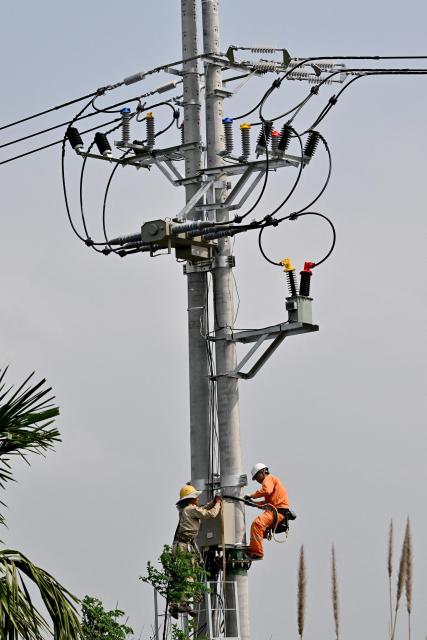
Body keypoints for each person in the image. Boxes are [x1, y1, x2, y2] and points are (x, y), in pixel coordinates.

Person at [170, 485, 222, 618]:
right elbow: (211, 514)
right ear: (191, 499)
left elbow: (202, 509)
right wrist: (218, 503)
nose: (198, 499)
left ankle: (174, 605)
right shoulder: (191, 509)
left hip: (180, 545)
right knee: (189, 575)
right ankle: (184, 603)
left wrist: (212, 502)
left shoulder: (186, 510)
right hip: (184, 546)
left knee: (180, 575)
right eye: (196, 497)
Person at [244, 463, 289, 560]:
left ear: (263, 472)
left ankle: (257, 552)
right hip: (276, 511)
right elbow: (266, 503)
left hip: (278, 511)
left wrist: (251, 495)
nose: (257, 480)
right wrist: (253, 503)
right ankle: (254, 547)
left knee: (257, 524)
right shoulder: (272, 481)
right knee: (258, 528)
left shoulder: (268, 479)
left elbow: (266, 490)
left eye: (257, 477)